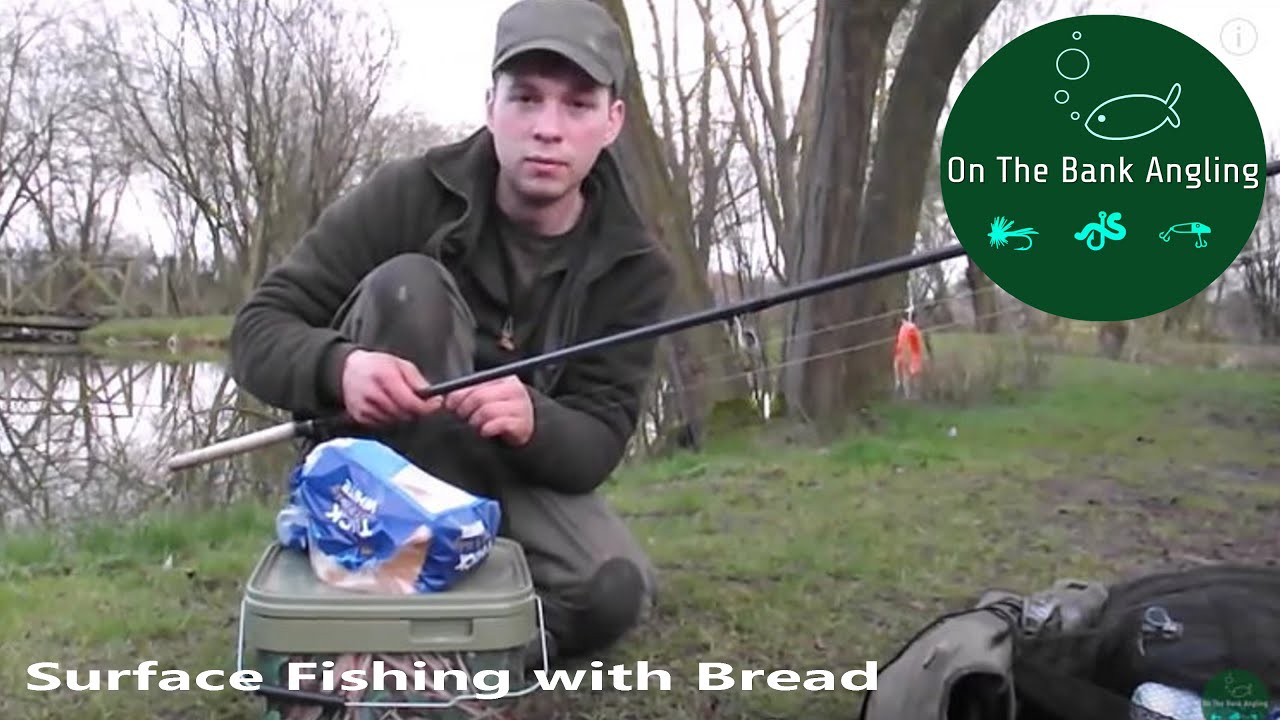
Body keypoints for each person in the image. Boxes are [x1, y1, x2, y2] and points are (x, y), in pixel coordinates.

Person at [227, 0, 675, 669]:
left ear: (613, 122)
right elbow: (257, 330)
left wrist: (535, 421)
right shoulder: (407, 194)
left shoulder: (636, 267)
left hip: (512, 475)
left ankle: (455, 658)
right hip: (384, 471)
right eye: (525, 98)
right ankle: (374, 618)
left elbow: (599, 443)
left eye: (577, 105)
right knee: (411, 286)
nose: (547, 129)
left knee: (613, 591)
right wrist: (339, 368)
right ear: (490, 105)